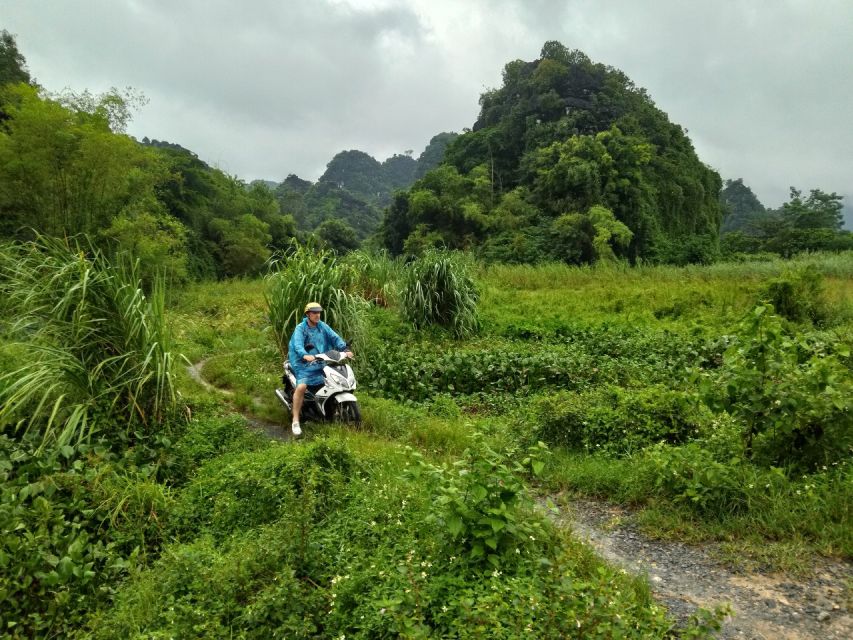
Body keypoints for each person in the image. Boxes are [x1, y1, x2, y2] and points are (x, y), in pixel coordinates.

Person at [287, 302, 353, 436]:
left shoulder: (322, 326)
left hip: (321, 360)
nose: (317, 315)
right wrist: (305, 355)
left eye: (319, 312)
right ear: (307, 314)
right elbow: (297, 345)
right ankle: (295, 420)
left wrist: (344, 349)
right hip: (302, 363)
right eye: (314, 313)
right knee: (302, 387)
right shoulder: (301, 328)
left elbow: (335, 337)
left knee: (332, 380)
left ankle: (328, 407)